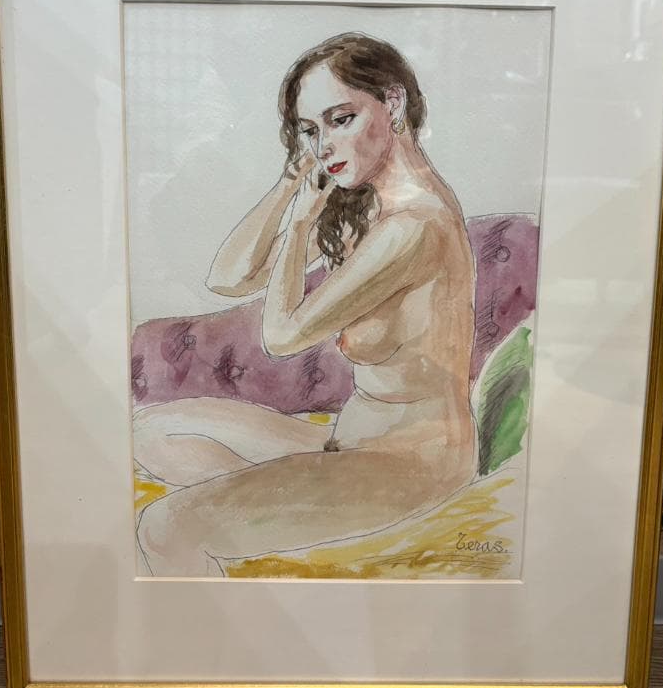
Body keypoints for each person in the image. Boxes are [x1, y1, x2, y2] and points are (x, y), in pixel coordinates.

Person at [135, 31, 479, 575]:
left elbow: (282, 337)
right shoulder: (368, 205)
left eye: (341, 119)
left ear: (393, 103)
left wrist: (299, 226)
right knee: (149, 432)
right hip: (348, 441)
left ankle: (250, 531)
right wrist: (288, 183)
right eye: (311, 130)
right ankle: (270, 506)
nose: (324, 146)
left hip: (412, 463)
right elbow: (228, 278)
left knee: (162, 529)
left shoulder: (415, 225)